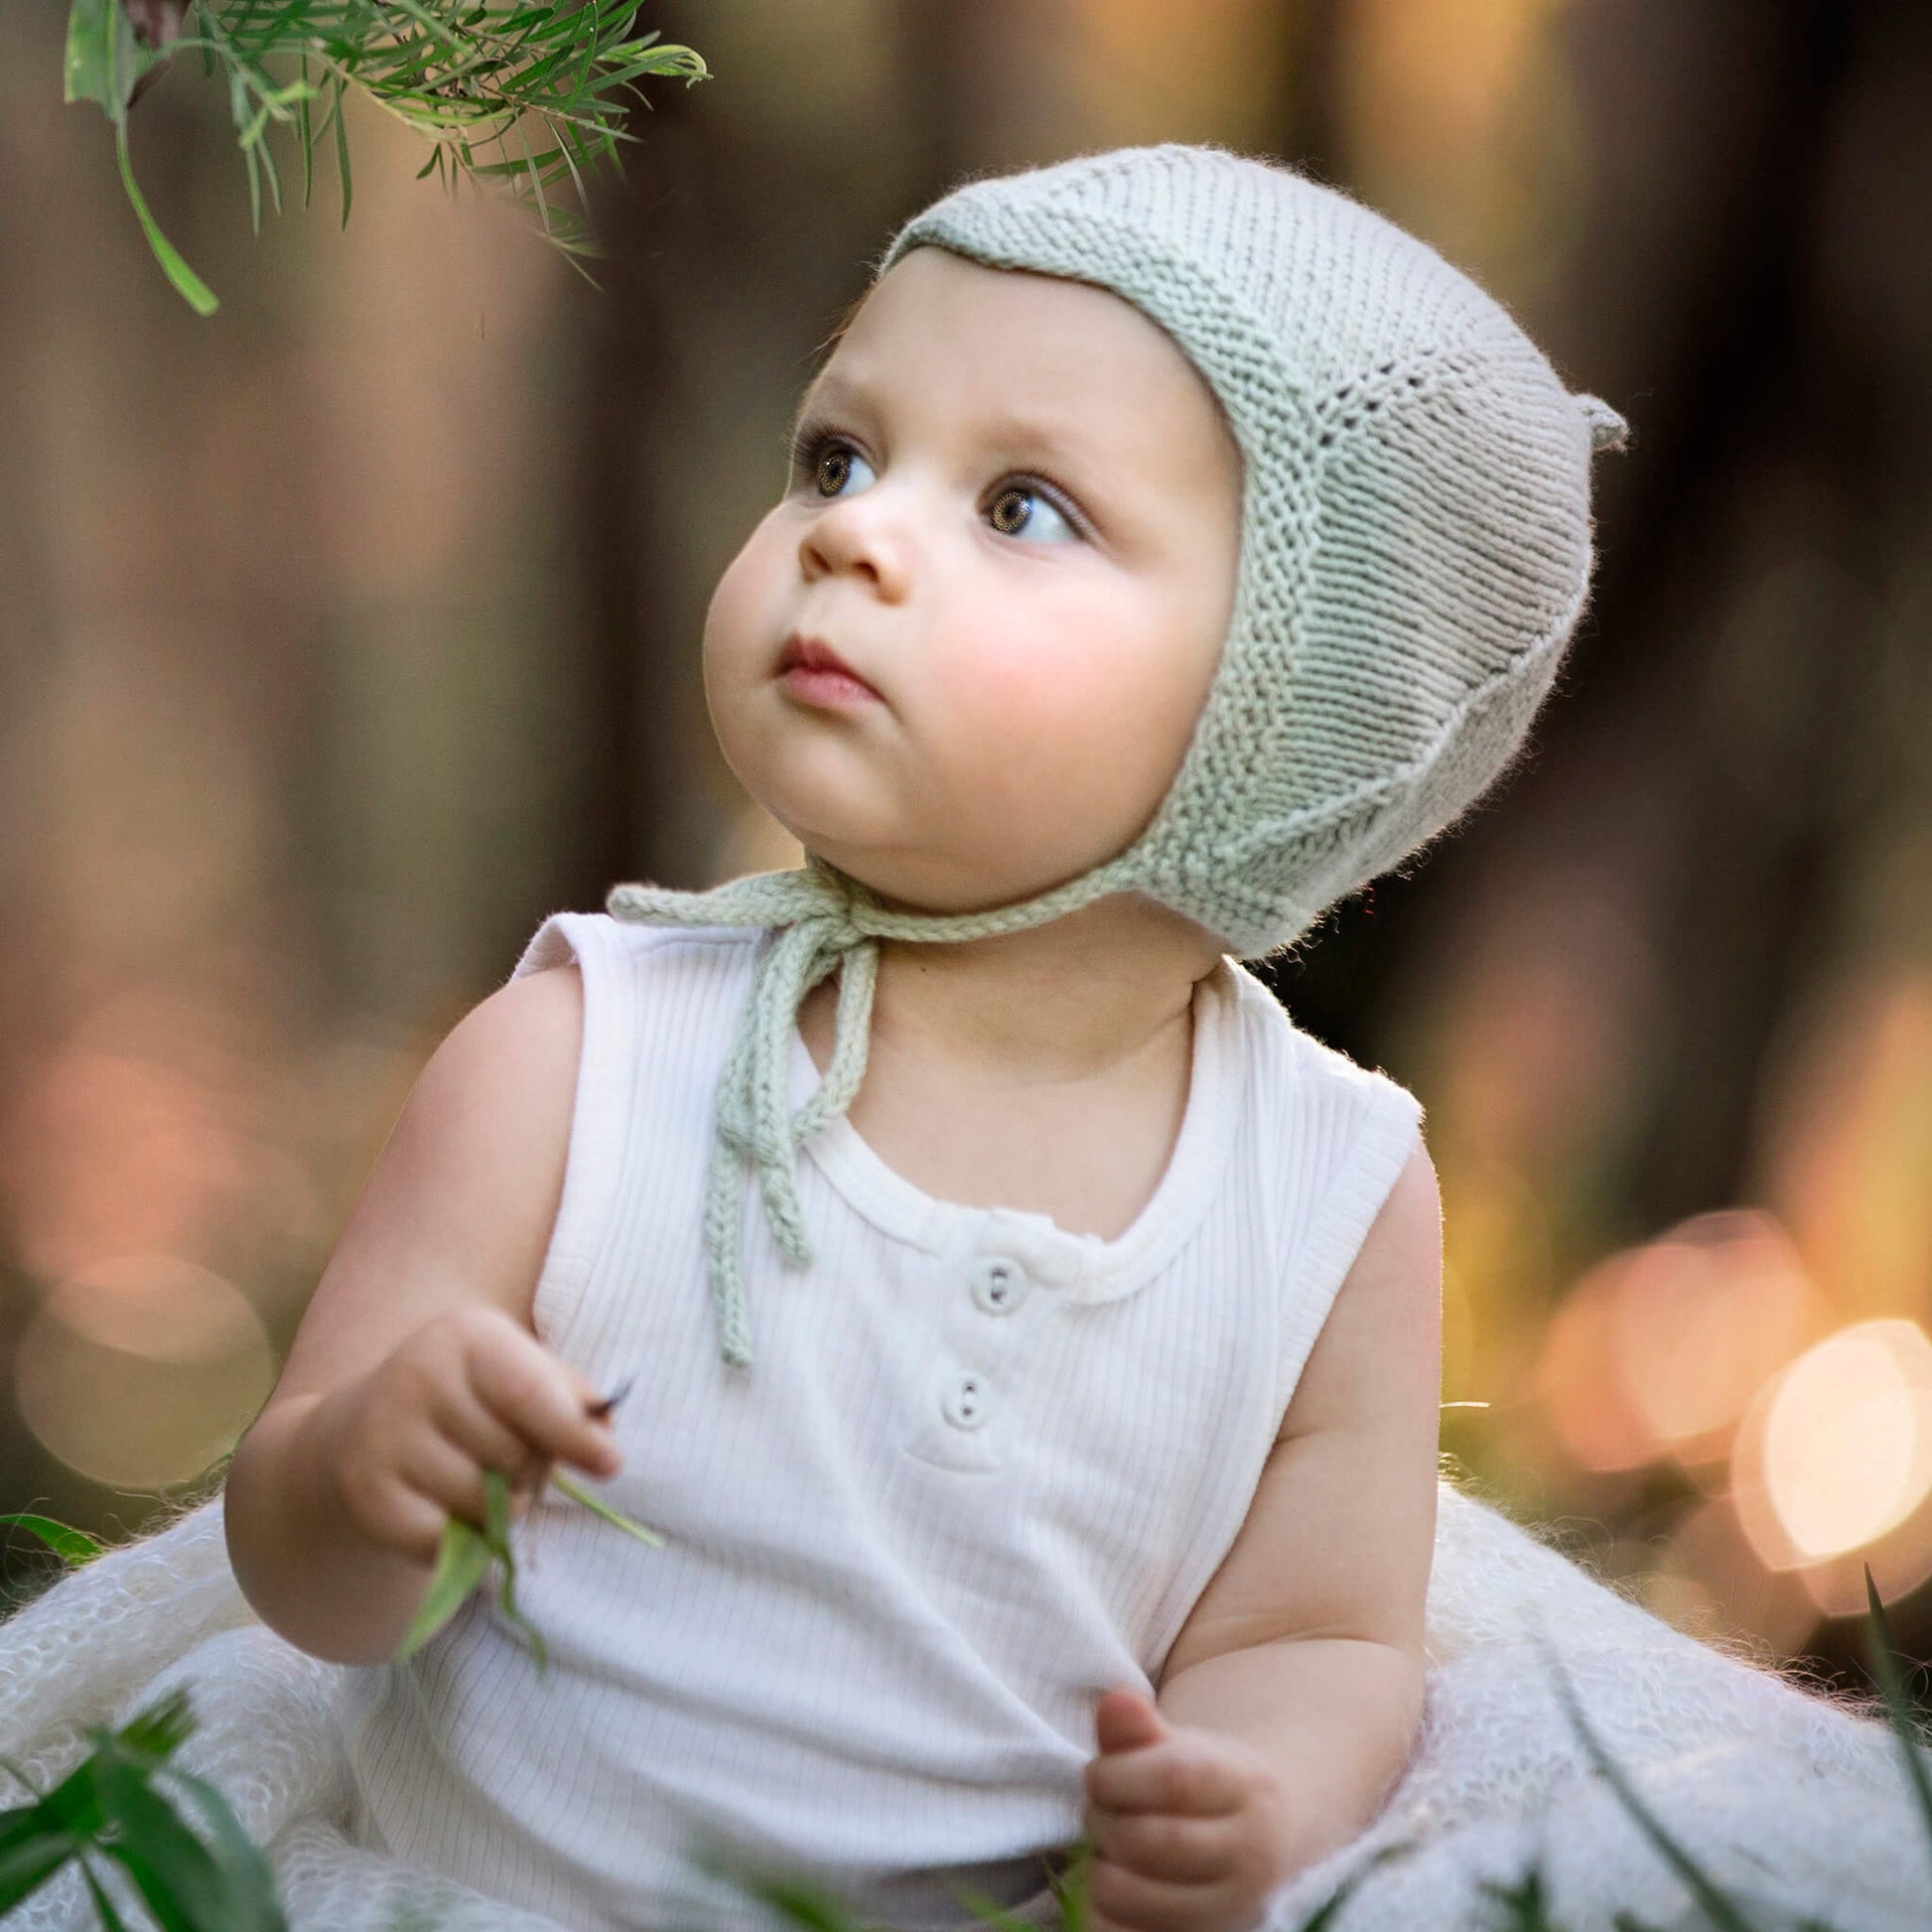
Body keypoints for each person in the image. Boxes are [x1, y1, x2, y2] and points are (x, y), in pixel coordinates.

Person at [220, 144, 1626, 1932]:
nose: (851, 530)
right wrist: (365, 1477)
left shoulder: (1328, 1194)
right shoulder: (583, 1053)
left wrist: (1247, 1794)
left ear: (1281, 717)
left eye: (1023, 505)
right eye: (839, 453)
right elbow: (302, 1580)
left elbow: (1312, 1629)